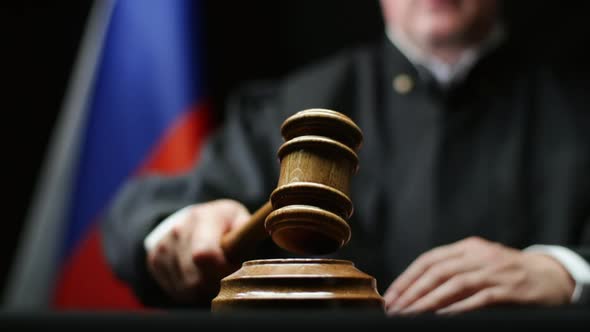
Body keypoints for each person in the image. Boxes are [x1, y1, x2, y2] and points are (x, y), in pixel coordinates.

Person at [101, 0, 590, 314]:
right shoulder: (293, 102)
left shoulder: (577, 107)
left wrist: (568, 273)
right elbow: (139, 215)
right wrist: (183, 230)